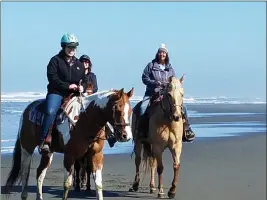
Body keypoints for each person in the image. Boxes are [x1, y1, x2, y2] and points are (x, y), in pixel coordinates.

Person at [38, 33, 88, 154]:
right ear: (63, 47)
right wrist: (68, 86)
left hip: (74, 95)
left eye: (74, 47)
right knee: (50, 111)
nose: (72, 50)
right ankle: (44, 140)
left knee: (91, 109)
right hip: (57, 92)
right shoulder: (55, 61)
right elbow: (52, 78)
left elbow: (85, 80)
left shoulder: (79, 65)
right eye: (69, 47)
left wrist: (83, 87)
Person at [138, 43, 195, 141]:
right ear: (158, 53)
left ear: (166, 54)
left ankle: (187, 129)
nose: (162, 54)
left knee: (182, 107)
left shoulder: (170, 67)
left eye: (164, 53)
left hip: (166, 93)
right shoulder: (151, 65)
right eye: (160, 52)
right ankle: (142, 131)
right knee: (143, 107)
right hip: (152, 92)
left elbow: (173, 80)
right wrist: (155, 83)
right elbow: (144, 78)